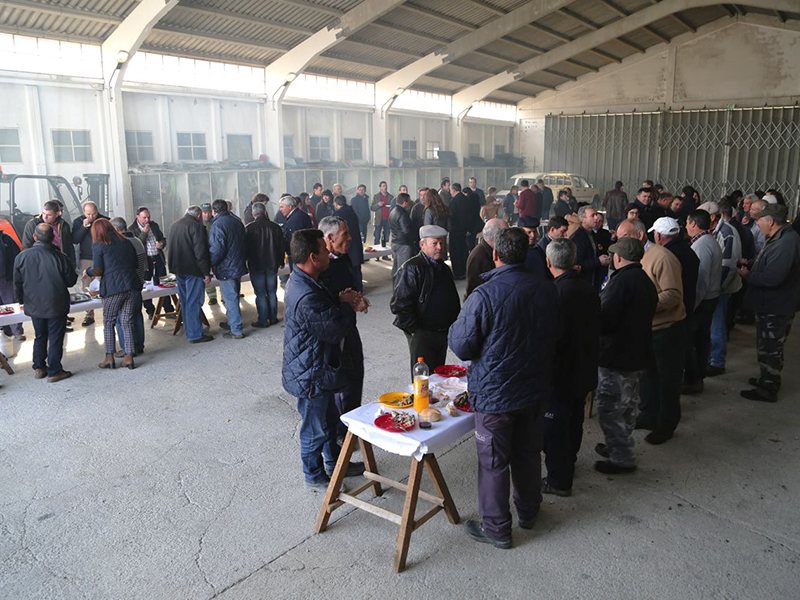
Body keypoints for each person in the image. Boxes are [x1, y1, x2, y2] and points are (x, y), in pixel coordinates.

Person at [448, 227, 559, 549]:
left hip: (496, 395)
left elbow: (462, 346)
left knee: (494, 462)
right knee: (527, 453)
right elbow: (556, 333)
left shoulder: (484, 295)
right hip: (534, 389)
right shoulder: (547, 288)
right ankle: (528, 511)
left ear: (495, 255)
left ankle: (497, 528)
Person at [282, 228, 365, 490]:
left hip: (319, 366)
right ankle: (314, 475)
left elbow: (327, 309)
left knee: (329, 422)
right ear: (312, 257)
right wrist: (348, 305)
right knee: (314, 428)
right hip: (310, 372)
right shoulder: (305, 294)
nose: (328, 252)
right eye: (323, 248)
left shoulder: (309, 279)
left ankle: (335, 464)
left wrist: (339, 298)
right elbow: (334, 328)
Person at [617, 219, 686, 445]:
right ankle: (648, 414)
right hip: (645, 328)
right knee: (648, 376)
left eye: (623, 237)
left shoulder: (662, 257)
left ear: (639, 235)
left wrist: (643, 305)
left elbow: (673, 294)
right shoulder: (635, 257)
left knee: (667, 378)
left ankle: (666, 424)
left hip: (666, 329)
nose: (619, 242)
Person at [595, 236, 658, 473]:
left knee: (611, 407)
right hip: (636, 352)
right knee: (627, 405)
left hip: (616, 356)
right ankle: (617, 447)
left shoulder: (620, 282)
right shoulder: (644, 280)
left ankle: (621, 459)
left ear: (618, 257)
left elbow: (605, 319)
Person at [542, 238, 599, 496]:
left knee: (555, 428)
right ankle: (570, 463)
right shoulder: (588, 288)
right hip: (584, 368)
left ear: (548, 262)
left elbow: (549, 339)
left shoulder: (553, 293)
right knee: (575, 420)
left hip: (559, 374)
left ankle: (558, 480)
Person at [738, 204, 800, 402]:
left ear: (771, 221)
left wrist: (748, 275)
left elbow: (773, 278)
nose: (758, 224)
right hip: (772, 304)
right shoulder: (780, 238)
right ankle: (766, 378)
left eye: (760, 220)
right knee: (767, 346)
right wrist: (751, 262)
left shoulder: (786, 243)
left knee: (771, 347)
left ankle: (769, 388)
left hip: (776, 305)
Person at [318, 216, 369, 442]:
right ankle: (341, 435)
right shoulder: (318, 268)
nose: (350, 238)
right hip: (334, 334)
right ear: (329, 239)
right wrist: (343, 301)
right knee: (342, 382)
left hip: (349, 328)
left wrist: (356, 298)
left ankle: (351, 431)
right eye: (345, 235)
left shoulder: (342, 258)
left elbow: (350, 287)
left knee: (356, 374)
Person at [391, 225, 460, 376]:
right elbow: (400, 305)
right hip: (422, 333)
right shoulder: (412, 268)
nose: (439, 247)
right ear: (422, 245)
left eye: (442, 243)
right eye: (434, 243)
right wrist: (415, 331)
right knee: (423, 379)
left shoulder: (444, 268)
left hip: (442, 332)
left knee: (438, 375)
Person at [13, 224, 77, 382]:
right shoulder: (60, 257)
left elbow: (17, 283)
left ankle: (39, 367)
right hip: (56, 303)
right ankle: (55, 371)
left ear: (35, 237)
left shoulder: (22, 257)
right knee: (55, 336)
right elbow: (70, 281)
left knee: (40, 335)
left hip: (33, 304)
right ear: (53, 237)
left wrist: (22, 301)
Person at [85, 219, 140, 370]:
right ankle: (129, 356)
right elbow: (136, 263)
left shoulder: (99, 245)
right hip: (132, 285)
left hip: (113, 289)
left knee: (109, 322)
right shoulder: (126, 241)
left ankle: (109, 357)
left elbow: (98, 270)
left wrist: (87, 272)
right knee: (127, 321)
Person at [697, 201, 742, 378]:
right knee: (712, 324)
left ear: (713, 218)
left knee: (717, 324)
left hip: (721, 289)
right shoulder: (713, 232)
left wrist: (716, 289)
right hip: (714, 287)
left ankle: (717, 361)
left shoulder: (727, 233)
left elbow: (729, 266)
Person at [683, 210, 721, 394]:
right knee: (700, 339)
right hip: (708, 299)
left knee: (692, 341)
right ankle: (697, 376)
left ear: (693, 223)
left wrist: (691, 306)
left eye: (687, 221)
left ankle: (693, 379)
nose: (685, 225)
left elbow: (701, 280)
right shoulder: (706, 240)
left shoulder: (702, 245)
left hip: (703, 301)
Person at [168, 206, 213, 344]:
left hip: (178, 269)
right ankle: (194, 334)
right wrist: (206, 272)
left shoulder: (174, 225)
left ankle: (189, 330)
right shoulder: (197, 227)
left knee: (186, 301)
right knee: (194, 301)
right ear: (199, 216)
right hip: (193, 270)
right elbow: (200, 252)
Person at [210, 199, 247, 339]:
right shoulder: (237, 221)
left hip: (226, 268)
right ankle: (232, 321)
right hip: (238, 265)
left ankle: (236, 329)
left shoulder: (217, 225)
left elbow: (217, 249)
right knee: (234, 296)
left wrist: (211, 264)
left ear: (214, 211)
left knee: (230, 298)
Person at [111, 217, 147, 357]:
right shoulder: (137, 241)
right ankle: (139, 346)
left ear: (116, 229)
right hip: (138, 283)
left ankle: (127, 348)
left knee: (122, 318)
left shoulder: (120, 243)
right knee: (137, 314)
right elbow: (143, 264)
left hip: (125, 285)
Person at [245, 201, 284, 328]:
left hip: (256, 266)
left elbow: (246, 249)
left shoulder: (249, 228)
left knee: (260, 294)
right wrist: (281, 261)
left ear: (253, 214)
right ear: (265, 212)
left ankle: (262, 320)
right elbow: (280, 246)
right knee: (272, 293)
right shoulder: (275, 227)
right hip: (272, 264)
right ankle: (273, 318)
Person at [129, 207, 172, 317]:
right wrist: (144, 233)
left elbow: (163, 238)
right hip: (144, 261)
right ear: (137, 217)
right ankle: (150, 310)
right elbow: (136, 245)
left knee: (163, 283)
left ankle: (168, 308)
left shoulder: (154, 225)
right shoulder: (132, 229)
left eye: (148, 217)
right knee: (146, 287)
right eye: (144, 218)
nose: (147, 220)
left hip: (157, 257)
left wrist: (161, 244)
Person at [71, 201, 107, 326]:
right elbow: (75, 239)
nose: (91, 217)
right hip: (86, 257)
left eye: (94, 213)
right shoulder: (78, 222)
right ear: (83, 212)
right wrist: (84, 227)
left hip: (103, 257)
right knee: (86, 285)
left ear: (98, 211)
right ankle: (89, 314)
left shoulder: (104, 221)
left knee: (104, 284)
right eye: (88, 214)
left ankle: (107, 310)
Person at [571, 206, 611, 289]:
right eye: (592, 215)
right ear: (583, 219)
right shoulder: (577, 238)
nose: (596, 218)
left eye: (596, 214)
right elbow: (578, 264)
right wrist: (598, 261)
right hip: (584, 283)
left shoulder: (593, 234)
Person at [466, 218, 507, 297]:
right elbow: (473, 289)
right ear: (496, 236)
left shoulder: (496, 250)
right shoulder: (478, 256)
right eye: (505, 233)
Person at [278, 195, 313, 286]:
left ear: (290, 207)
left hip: (298, 255)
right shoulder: (300, 215)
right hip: (304, 253)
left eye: (282, 207)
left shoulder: (295, 219)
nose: (280, 209)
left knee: (300, 281)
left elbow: (295, 239)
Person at [333, 195, 364, 291]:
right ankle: (359, 288)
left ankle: (352, 290)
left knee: (348, 268)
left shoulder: (337, 215)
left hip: (345, 244)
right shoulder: (352, 212)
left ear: (337, 204)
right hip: (355, 242)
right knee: (356, 267)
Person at [0, 230, 24, 341]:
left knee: (10, 305)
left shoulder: (6, 239)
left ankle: (16, 331)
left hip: (6, 278)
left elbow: (17, 256)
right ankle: (6, 330)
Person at [389, 193, 415, 278]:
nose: (409, 203)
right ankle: (402, 288)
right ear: (404, 202)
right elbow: (406, 230)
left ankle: (396, 285)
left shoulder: (392, 211)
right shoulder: (402, 213)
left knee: (396, 268)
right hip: (403, 244)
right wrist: (413, 238)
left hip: (395, 241)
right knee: (403, 269)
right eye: (409, 202)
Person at [448, 183, 470, 280]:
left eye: (450, 190)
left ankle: (458, 273)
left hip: (455, 230)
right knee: (463, 250)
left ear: (453, 190)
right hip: (464, 230)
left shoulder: (454, 201)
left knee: (455, 252)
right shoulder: (466, 199)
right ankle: (465, 270)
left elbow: (451, 216)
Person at [519, 216, 549, 282]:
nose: (533, 235)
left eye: (534, 232)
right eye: (529, 232)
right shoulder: (518, 253)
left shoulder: (539, 250)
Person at [200, 203, 218, 306]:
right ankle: (212, 297)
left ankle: (224, 297)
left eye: (208, 212)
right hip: (205, 253)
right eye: (204, 212)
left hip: (215, 252)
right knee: (207, 275)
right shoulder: (198, 224)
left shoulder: (215, 222)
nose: (206, 215)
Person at [370, 181, 393, 247]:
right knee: (377, 237)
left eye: (386, 186)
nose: (385, 187)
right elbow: (372, 208)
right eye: (383, 186)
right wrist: (378, 205)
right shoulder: (376, 197)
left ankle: (385, 255)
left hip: (387, 220)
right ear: (380, 187)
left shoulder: (391, 197)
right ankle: (377, 255)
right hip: (378, 220)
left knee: (386, 238)